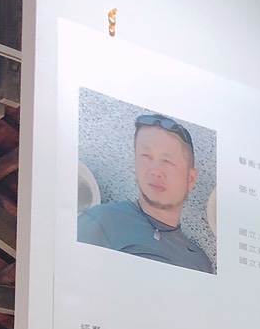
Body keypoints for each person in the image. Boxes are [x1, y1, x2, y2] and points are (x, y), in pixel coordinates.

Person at [77, 112, 215, 274]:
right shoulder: (101, 222)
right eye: (146, 156)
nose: (155, 171)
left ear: (190, 179)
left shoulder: (199, 262)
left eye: (167, 161)